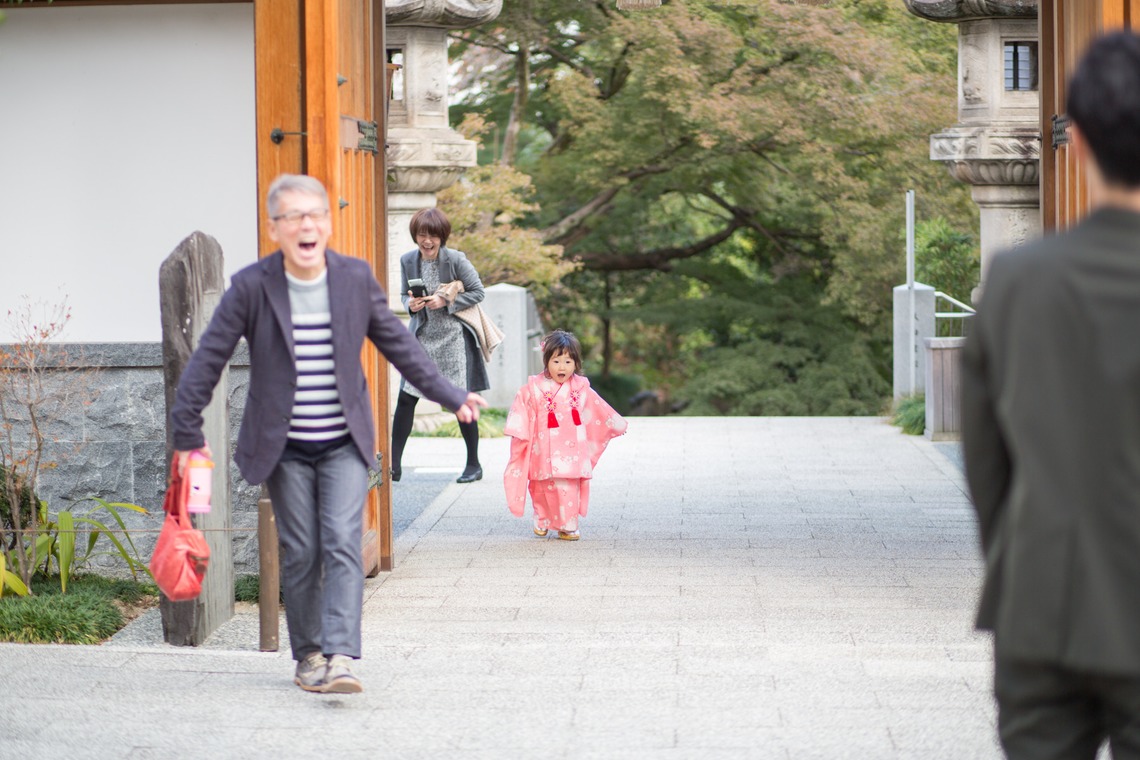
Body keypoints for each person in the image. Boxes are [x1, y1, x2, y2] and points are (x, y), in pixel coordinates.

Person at [170, 174, 486, 694]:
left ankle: (339, 658)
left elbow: (399, 345)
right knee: (302, 550)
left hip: (343, 441)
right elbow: (208, 361)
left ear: (328, 223)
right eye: (293, 216)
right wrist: (186, 434)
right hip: (284, 447)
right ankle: (308, 656)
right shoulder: (252, 286)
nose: (306, 225)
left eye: (315, 214)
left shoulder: (353, 279)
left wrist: (451, 394)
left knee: (341, 541)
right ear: (274, 228)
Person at [960, 31, 1140, 760]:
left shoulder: (1015, 282)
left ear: (1080, 136)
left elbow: (986, 464)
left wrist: (1019, 558)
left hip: (1043, 601)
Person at [390, 207, 489, 484]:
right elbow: (403, 294)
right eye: (422, 235)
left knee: (460, 399)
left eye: (433, 235)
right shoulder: (408, 260)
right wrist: (410, 304)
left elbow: (478, 291)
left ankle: (473, 464)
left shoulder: (455, 259)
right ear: (415, 235)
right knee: (406, 398)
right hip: (422, 338)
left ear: (442, 236)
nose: (427, 241)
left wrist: (445, 301)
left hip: (453, 338)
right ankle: (394, 465)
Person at [503, 330, 627, 540]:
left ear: (576, 363)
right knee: (542, 486)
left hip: (572, 451)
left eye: (568, 362)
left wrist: (614, 423)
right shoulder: (532, 388)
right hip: (542, 449)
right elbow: (521, 410)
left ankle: (568, 525)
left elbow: (597, 409)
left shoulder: (581, 388)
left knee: (568, 487)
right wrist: (518, 431)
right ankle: (542, 519)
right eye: (556, 361)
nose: (562, 367)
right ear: (546, 361)